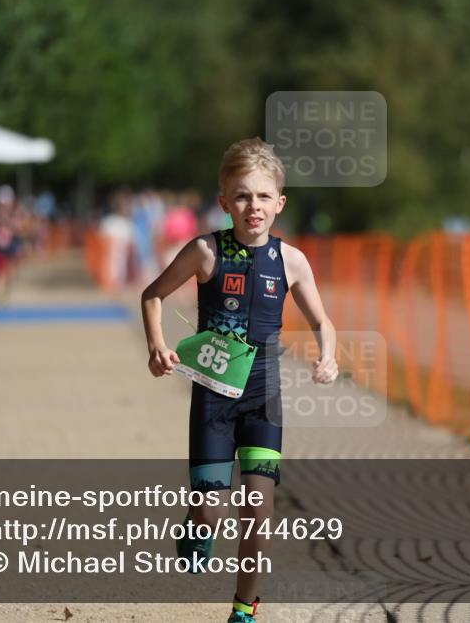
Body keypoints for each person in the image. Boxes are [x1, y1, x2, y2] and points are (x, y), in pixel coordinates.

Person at [140, 138, 338, 623]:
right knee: (212, 510)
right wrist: (157, 346)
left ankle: (244, 608)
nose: (254, 206)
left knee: (258, 510)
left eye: (264, 196)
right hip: (213, 400)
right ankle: (198, 523)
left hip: (264, 401)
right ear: (224, 200)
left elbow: (322, 322)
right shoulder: (205, 251)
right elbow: (152, 294)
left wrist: (328, 357)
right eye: (243, 195)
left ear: (280, 203)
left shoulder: (291, 261)